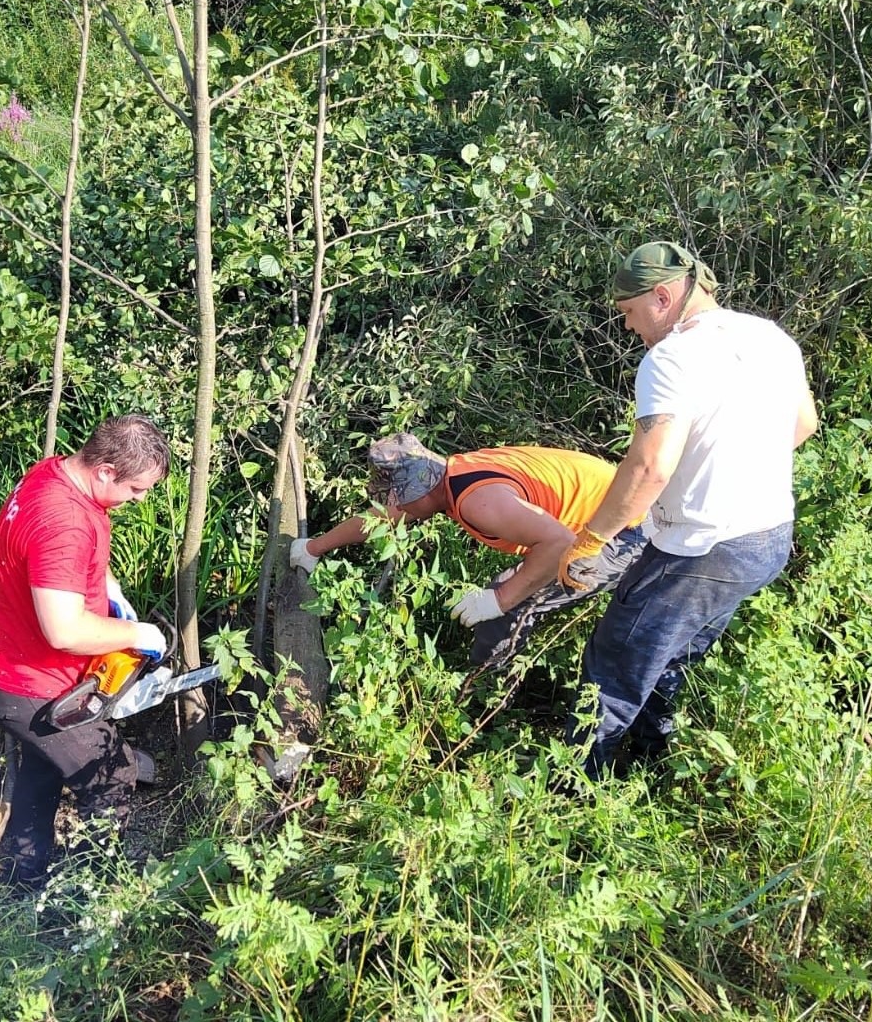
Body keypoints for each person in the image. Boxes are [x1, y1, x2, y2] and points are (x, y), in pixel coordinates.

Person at [555, 241, 819, 776]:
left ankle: (570, 794)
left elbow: (650, 467)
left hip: (702, 547)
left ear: (662, 296)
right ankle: (652, 759)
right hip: (765, 539)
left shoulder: (671, 358)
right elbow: (805, 424)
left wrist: (592, 539)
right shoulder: (770, 337)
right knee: (674, 651)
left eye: (629, 312)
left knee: (616, 662)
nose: (628, 327)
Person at [0, 414, 171, 887]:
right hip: (32, 688)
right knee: (112, 774)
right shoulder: (64, 521)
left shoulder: (53, 473)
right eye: (137, 490)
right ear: (105, 470)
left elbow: (73, 566)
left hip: (13, 670)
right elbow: (63, 630)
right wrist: (136, 634)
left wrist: (110, 593)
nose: (137, 501)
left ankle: (20, 884)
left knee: (41, 775)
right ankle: (91, 895)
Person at [289, 433, 649, 666]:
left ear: (423, 491)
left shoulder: (479, 503)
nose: (401, 509)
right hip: (595, 515)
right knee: (513, 587)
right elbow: (383, 518)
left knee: (509, 607)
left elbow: (560, 545)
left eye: (403, 499)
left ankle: (481, 701)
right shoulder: (449, 474)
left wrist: (500, 600)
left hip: (621, 529)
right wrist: (315, 548)